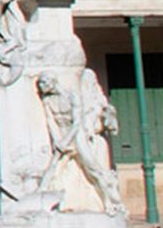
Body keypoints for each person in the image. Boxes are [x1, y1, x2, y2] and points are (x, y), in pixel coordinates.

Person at [35, 69, 127, 216]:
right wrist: (57, 141)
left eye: (44, 82)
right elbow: (51, 122)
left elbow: (77, 122)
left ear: (53, 82)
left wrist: (66, 141)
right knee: (54, 170)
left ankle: (109, 202)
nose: (41, 86)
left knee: (93, 170)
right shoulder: (48, 100)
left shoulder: (72, 96)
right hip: (62, 137)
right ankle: (44, 203)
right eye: (39, 83)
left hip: (77, 137)